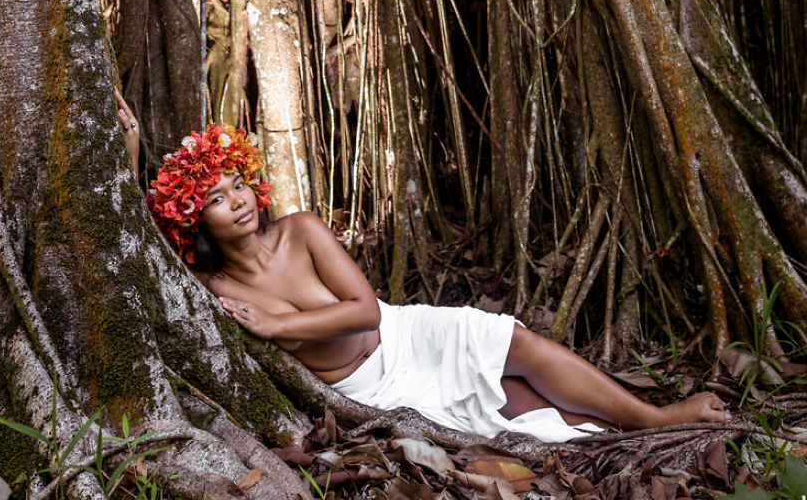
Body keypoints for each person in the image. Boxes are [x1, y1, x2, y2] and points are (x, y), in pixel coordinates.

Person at [116, 97, 727, 444]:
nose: (238, 199)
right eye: (216, 199)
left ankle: (658, 418)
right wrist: (132, 152)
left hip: (402, 333)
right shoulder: (208, 285)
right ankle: (624, 436)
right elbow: (133, 248)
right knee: (510, 406)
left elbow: (363, 310)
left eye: (237, 183)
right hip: (370, 388)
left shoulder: (300, 230)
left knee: (513, 342)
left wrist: (276, 328)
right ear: (194, 221)